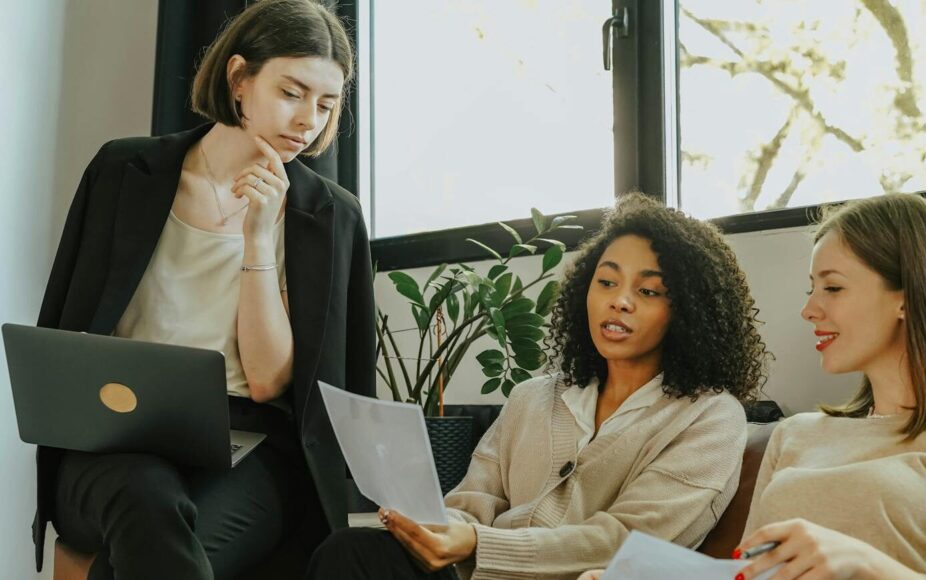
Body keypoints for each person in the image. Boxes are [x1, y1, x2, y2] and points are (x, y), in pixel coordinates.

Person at [33, 1, 375, 578]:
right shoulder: (122, 172)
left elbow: (268, 382)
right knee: (146, 496)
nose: (307, 121)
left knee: (154, 552)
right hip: (113, 438)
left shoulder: (330, 217)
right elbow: (65, 327)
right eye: (291, 93)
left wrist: (259, 241)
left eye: (325, 103)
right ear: (239, 78)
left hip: (252, 447)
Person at [303, 193, 770, 579]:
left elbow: (627, 541)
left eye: (648, 291)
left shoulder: (710, 416)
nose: (620, 302)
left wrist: (477, 544)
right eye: (606, 282)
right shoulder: (534, 396)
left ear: (686, 311)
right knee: (351, 550)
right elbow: (474, 502)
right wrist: (435, 528)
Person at [732, 194, 926, 579]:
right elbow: (744, 570)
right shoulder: (793, 434)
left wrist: (865, 564)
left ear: (907, 297)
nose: (809, 309)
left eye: (832, 288)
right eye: (810, 289)